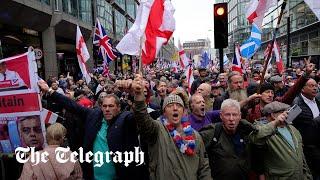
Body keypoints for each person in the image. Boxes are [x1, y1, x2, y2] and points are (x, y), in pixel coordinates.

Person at [38, 79, 148, 180]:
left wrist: (137, 95)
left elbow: (139, 116)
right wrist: (50, 91)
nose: (107, 109)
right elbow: (72, 105)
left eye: (111, 106)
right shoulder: (94, 116)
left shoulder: (126, 119)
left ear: (119, 108)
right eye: (104, 106)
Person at [126, 74, 212, 180]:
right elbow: (143, 120)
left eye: (179, 106)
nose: (175, 108)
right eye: (170, 106)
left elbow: (203, 167)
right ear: (164, 112)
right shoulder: (157, 130)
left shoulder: (195, 136)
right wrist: (139, 96)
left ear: (184, 112)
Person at [249, 101, 312, 179]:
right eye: (283, 112)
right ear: (273, 115)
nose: (287, 115)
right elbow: (256, 138)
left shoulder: (293, 129)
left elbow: (301, 156)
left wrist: (308, 176)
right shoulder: (261, 128)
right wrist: (275, 123)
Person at [200, 99, 255, 180]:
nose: (231, 119)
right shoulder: (212, 132)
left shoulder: (246, 131)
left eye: (234, 115)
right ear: (221, 116)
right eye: (227, 115)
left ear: (240, 116)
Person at [292, 78, 320, 179]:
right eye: (311, 86)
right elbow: (289, 123)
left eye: (316, 86)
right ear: (302, 89)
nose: (315, 88)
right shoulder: (297, 104)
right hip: (307, 147)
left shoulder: (317, 100)